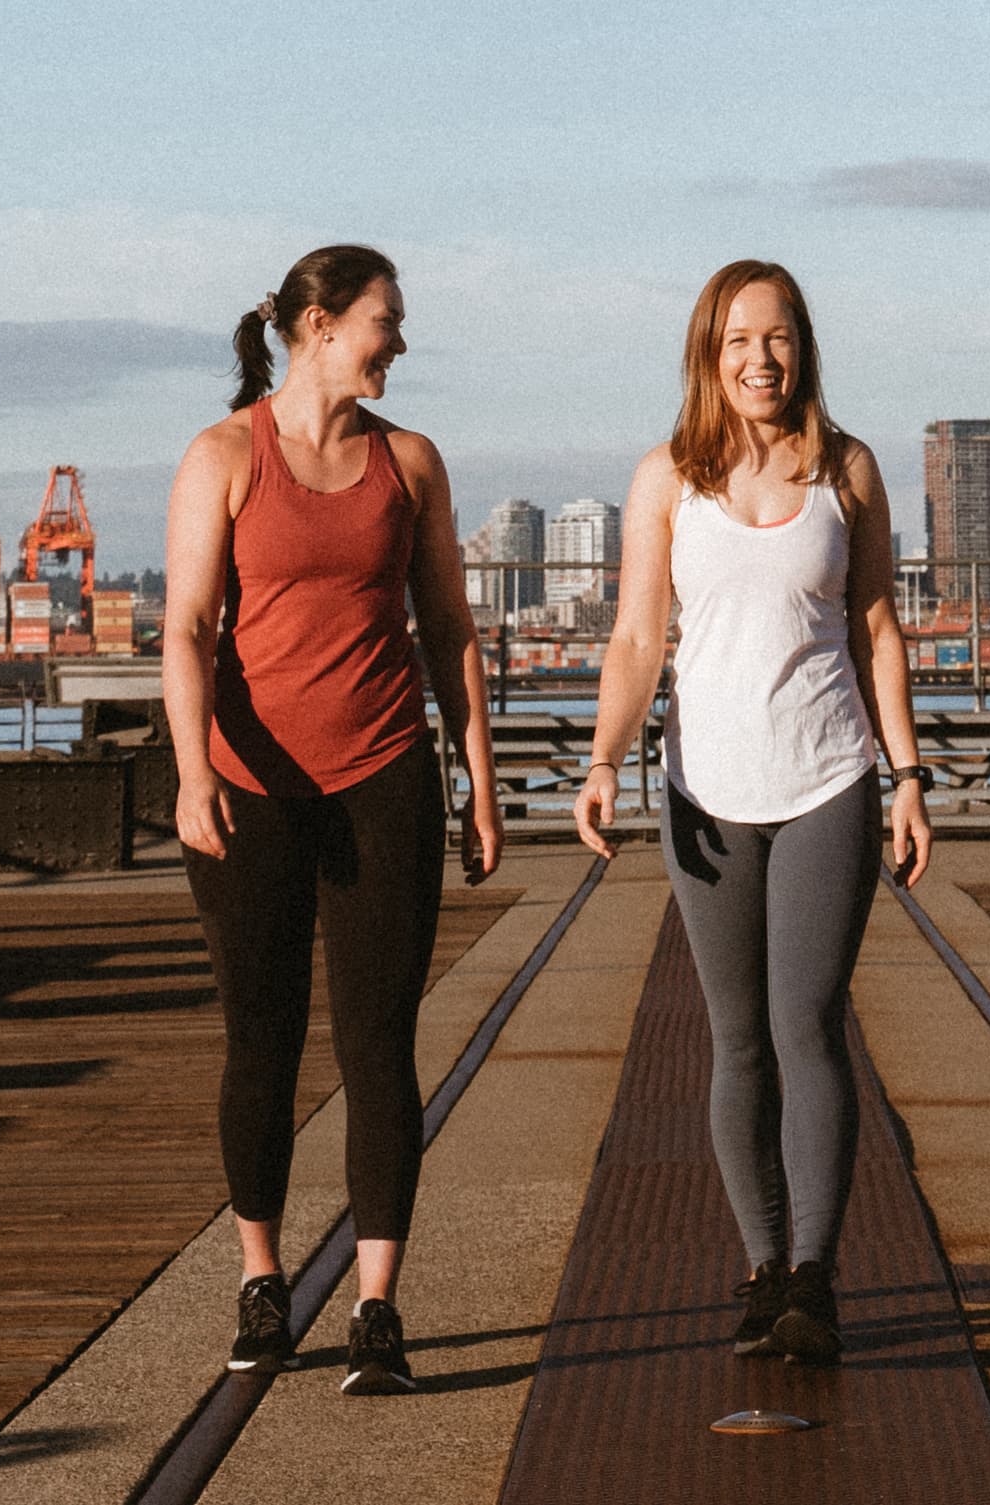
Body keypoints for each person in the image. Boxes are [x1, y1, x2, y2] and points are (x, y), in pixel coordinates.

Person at [574, 260, 932, 1364]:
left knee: (806, 1024)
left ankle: (817, 1277)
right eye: (736, 341)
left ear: (802, 346)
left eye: (774, 338)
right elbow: (638, 638)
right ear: (707, 353)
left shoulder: (847, 469)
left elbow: (875, 626)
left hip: (827, 779)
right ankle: (760, 1265)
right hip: (703, 791)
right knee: (733, 1039)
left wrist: (907, 774)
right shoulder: (664, 480)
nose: (758, 359)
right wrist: (601, 760)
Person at [162, 243, 503, 1396]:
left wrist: (479, 778)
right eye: (383, 321)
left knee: (377, 1046)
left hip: (382, 776)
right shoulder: (221, 455)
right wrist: (190, 773)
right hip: (247, 785)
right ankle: (262, 1278)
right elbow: (187, 628)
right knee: (259, 1037)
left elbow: (449, 625)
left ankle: (374, 1304)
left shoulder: (409, 462)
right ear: (317, 324)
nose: (397, 341)